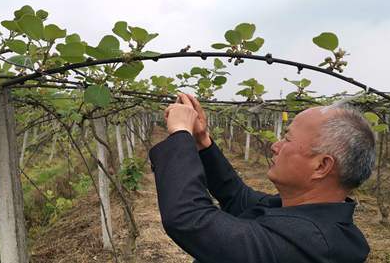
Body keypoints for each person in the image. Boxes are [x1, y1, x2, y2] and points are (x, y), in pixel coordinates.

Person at [149, 93, 374, 263]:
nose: (275, 146)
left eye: (287, 139)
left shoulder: (314, 245)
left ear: (321, 166)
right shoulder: (300, 212)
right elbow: (237, 196)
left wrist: (180, 133)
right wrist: (201, 141)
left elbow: (190, 220)